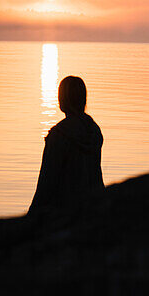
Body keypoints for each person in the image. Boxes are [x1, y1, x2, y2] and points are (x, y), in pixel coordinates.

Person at [28, 75, 104, 214]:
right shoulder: (94, 130)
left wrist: (31, 215)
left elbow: (46, 181)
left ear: (63, 99)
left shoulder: (59, 135)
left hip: (63, 209)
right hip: (94, 205)